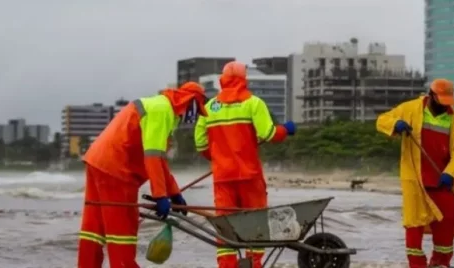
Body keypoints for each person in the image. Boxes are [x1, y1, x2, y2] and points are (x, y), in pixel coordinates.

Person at [78, 82, 208, 268]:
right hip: (117, 170)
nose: (195, 118)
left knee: (94, 229)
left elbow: (159, 159)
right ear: (191, 102)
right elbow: (153, 158)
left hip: (98, 162)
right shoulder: (163, 111)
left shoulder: (160, 106)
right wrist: (160, 196)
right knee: (122, 231)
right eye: (197, 112)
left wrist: (173, 193)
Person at [194, 61, 297, 268]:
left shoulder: (209, 107)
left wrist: (217, 157)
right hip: (249, 176)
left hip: (223, 177)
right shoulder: (253, 103)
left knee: (225, 226)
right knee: (256, 223)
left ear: (222, 81)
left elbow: (200, 143)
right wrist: (285, 129)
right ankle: (253, 264)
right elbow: (268, 133)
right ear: (244, 80)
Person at [376, 78, 454, 268]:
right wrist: (396, 124)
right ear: (431, 95)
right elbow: (381, 120)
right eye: (441, 101)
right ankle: (417, 265)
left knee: (447, 222)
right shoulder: (411, 109)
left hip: (442, 181)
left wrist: (451, 173)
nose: (445, 106)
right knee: (414, 225)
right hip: (416, 180)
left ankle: (440, 263)